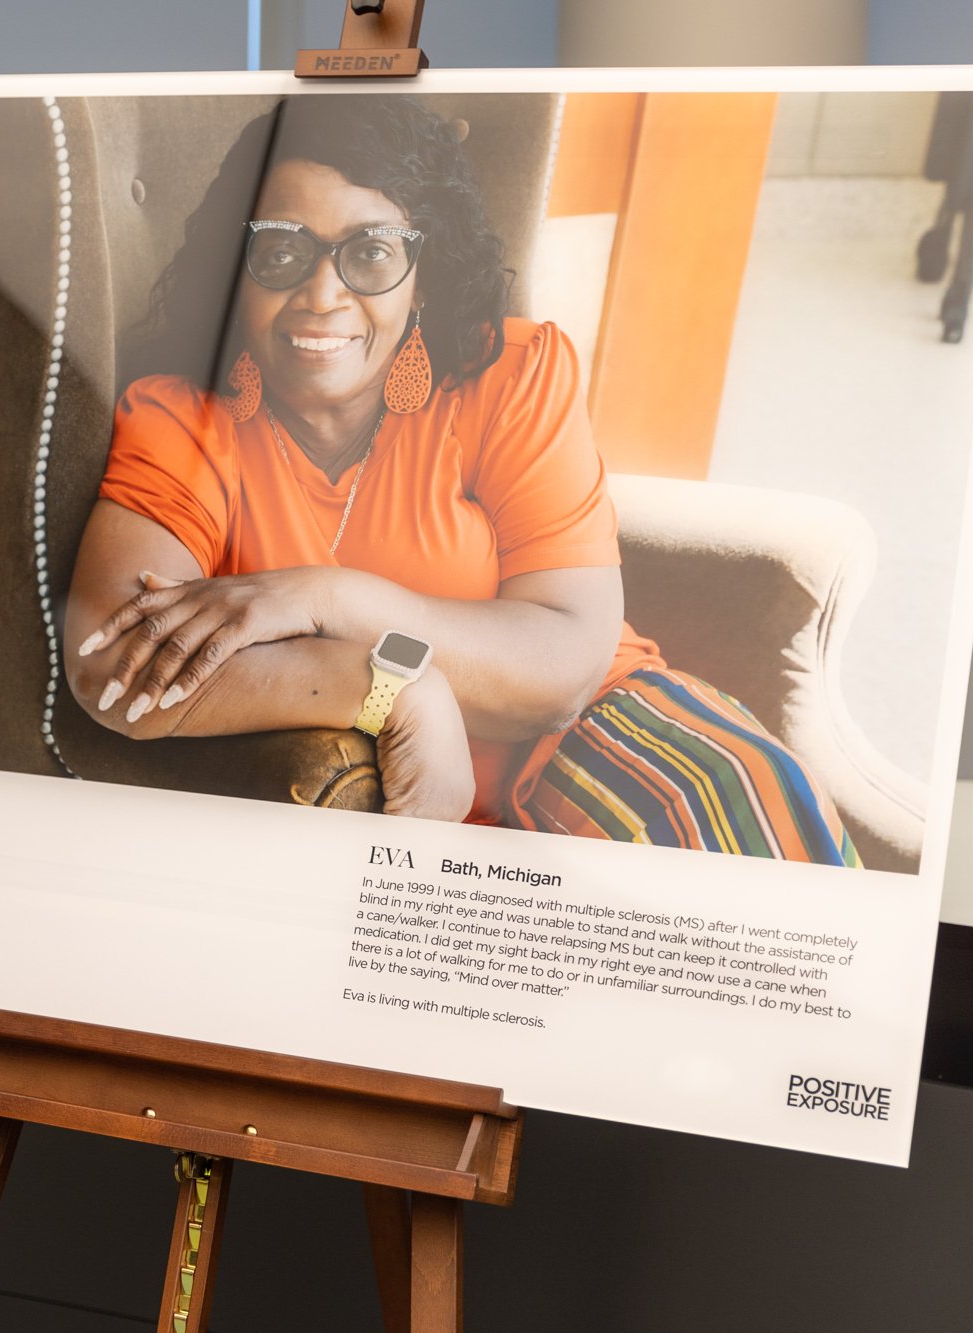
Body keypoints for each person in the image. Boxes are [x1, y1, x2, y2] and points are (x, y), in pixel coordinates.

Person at [66, 97, 857, 865]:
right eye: (281, 250)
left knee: (741, 811)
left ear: (425, 274)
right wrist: (394, 688)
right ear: (235, 270)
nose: (321, 293)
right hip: (397, 791)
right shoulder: (184, 425)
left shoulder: (508, 376)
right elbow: (113, 666)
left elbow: (566, 668)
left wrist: (331, 598)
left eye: (371, 252)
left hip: (596, 729)